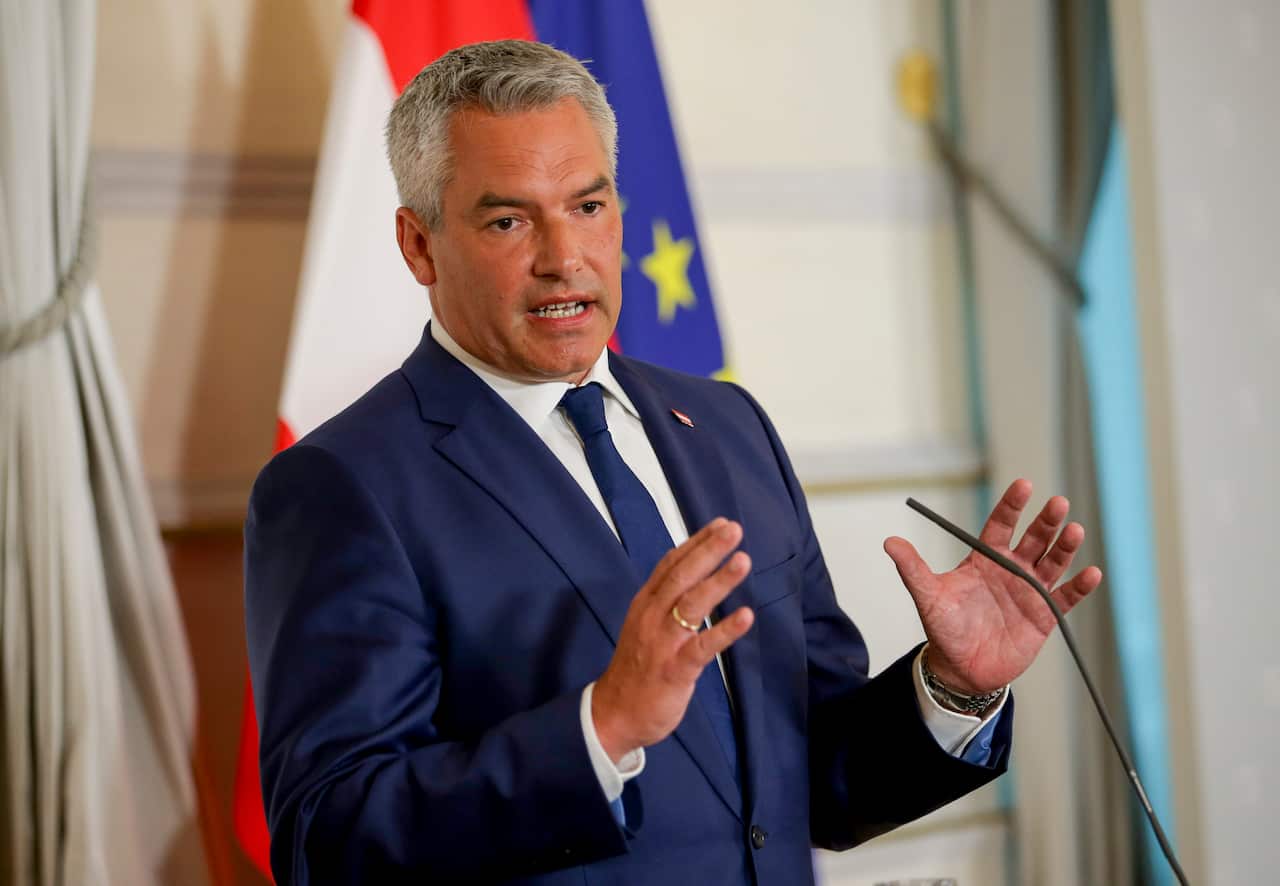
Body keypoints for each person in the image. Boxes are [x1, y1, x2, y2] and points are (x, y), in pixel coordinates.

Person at [244, 40, 1101, 886]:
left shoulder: (728, 427)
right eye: (509, 221)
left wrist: (949, 689)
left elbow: (814, 779)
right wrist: (601, 731)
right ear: (419, 245)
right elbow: (329, 840)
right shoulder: (343, 485)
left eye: (588, 206)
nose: (564, 258)